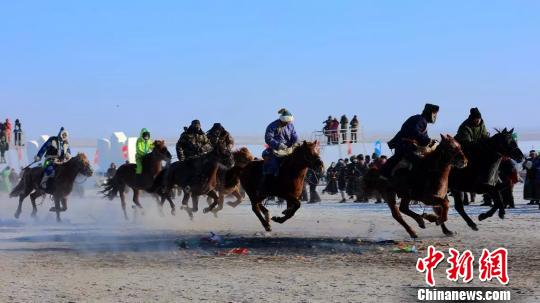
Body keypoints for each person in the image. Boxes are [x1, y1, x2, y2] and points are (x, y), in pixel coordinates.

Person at [381, 103, 440, 178]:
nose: (435, 116)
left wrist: (431, 142)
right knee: (420, 163)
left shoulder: (420, 119)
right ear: (430, 113)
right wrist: (428, 141)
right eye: (434, 114)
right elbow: (415, 132)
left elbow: (423, 137)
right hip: (406, 147)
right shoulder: (420, 120)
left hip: (407, 146)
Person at [258, 108, 298, 194]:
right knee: (273, 165)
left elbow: (294, 135)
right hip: (275, 149)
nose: (288, 123)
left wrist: (295, 141)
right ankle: (268, 186)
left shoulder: (290, 125)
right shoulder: (272, 125)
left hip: (289, 149)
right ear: (282, 120)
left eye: (289, 121)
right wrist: (278, 145)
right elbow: (268, 138)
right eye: (286, 121)